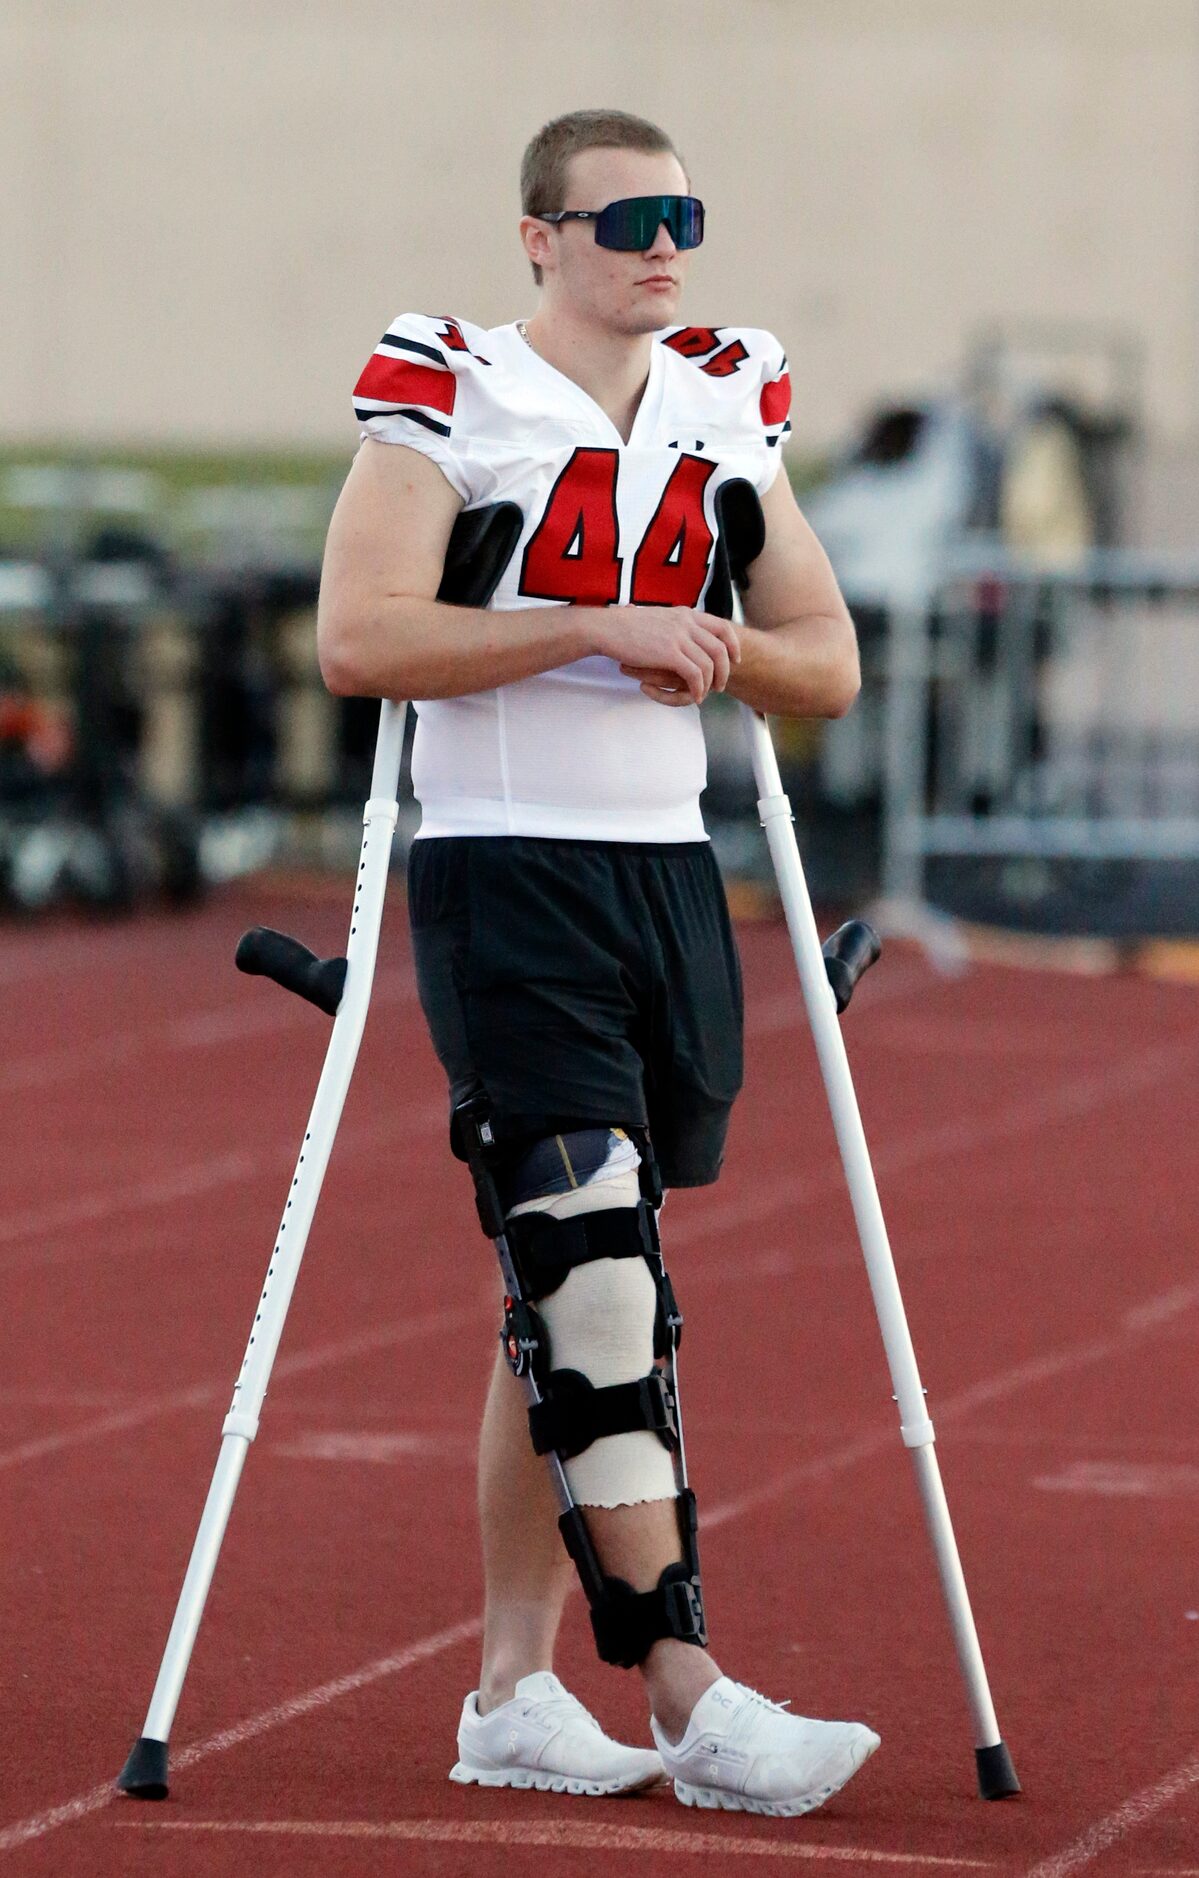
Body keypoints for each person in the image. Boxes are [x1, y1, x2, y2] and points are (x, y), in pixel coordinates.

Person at [317, 108, 878, 1819]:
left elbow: (829, 658)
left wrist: (721, 660)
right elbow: (360, 637)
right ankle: (689, 1685)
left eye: (683, 213)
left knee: (568, 1290)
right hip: (504, 874)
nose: (662, 242)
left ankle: (509, 1692)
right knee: (593, 1266)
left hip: (669, 882)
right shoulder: (452, 393)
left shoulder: (724, 399)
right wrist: (591, 625)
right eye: (624, 215)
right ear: (539, 239)